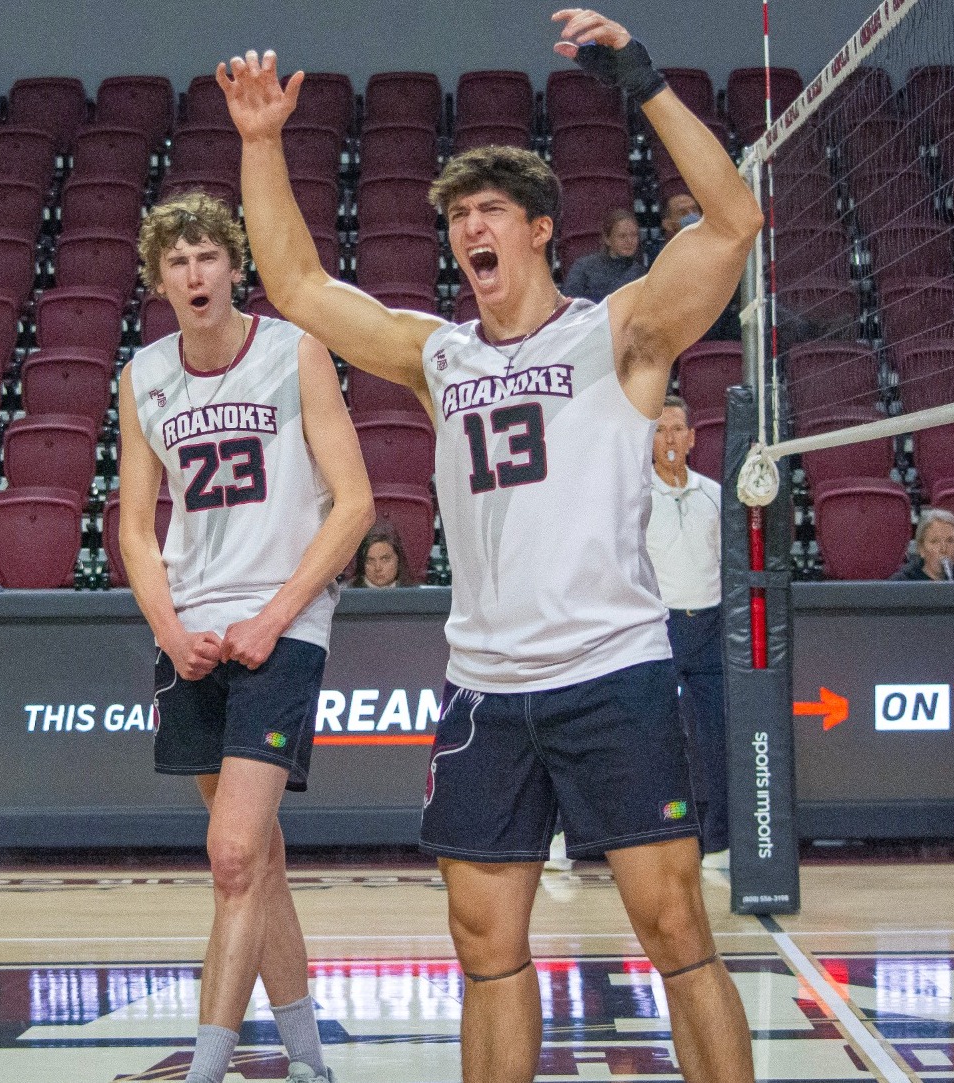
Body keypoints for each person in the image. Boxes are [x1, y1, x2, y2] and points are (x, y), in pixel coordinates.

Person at [220, 8, 762, 1081]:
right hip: (484, 689)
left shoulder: (618, 335)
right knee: (483, 947)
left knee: (672, 932)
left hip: (612, 674)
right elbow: (295, 288)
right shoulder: (441, 357)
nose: (470, 229)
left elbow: (734, 221)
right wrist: (259, 144)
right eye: (457, 216)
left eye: (488, 212)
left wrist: (643, 82)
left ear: (536, 231)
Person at [117, 192, 373, 1083]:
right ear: (160, 282)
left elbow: (356, 504)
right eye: (177, 262)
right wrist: (169, 626)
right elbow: (137, 530)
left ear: (235, 268)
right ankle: (308, 1059)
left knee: (230, 855)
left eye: (207, 257)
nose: (194, 274)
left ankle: (207, 1068)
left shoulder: (294, 348)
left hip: (281, 622)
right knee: (257, 857)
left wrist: (274, 615)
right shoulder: (143, 373)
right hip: (191, 630)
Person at [645, 397, 728, 869]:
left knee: (714, 736)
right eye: (661, 431)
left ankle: (716, 841)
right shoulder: (637, 496)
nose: (671, 439)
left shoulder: (714, 495)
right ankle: (663, 832)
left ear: (693, 438)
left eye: (678, 429)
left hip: (711, 623)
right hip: (661, 626)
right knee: (659, 737)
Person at [561, 206, 646, 302]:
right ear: (607, 239)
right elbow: (568, 305)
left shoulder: (641, 274)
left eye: (634, 235)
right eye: (622, 236)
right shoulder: (583, 268)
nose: (629, 241)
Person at [890, 508, 954, 581]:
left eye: (950, 541)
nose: (943, 549)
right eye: (935, 541)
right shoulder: (901, 583)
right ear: (921, 549)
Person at [350, 522, 412, 588]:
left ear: (398, 560)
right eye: (370, 561)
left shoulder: (416, 594)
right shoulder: (343, 595)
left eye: (385, 559)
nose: (378, 568)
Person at [645, 191, 701, 261]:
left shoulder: (714, 244)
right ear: (667, 224)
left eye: (695, 210)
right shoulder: (666, 258)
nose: (692, 215)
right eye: (683, 213)